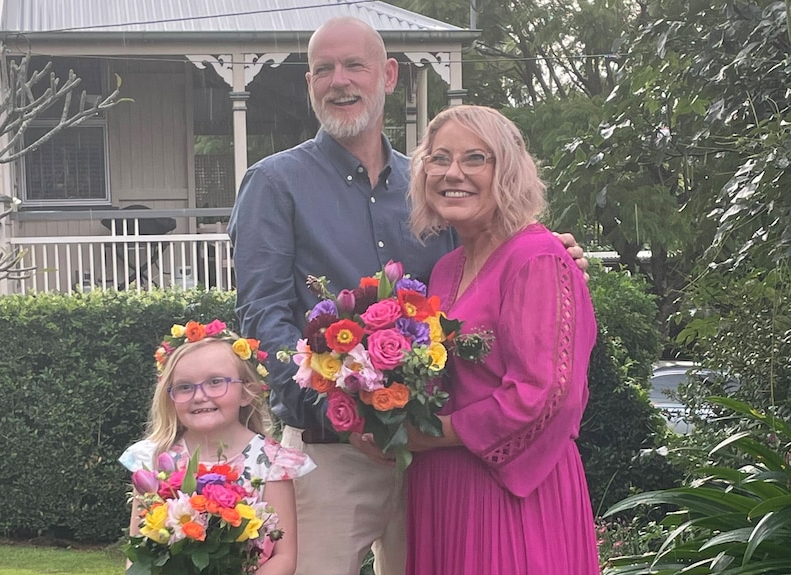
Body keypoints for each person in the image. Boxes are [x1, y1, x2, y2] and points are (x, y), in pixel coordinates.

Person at [229, 17, 588, 575]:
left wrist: (546, 251)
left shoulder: (429, 185)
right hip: (334, 450)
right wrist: (340, 409)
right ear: (309, 83)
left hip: (442, 459)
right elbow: (263, 316)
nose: (339, 81)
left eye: (355, 66)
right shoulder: (275, 183)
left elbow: (485, 274)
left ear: (389, 75)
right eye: (323, 69)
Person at [403, 105, 600, 574]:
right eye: (439, 158)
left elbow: (545, 396)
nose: (454, 173)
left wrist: (427, 437)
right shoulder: (446, 269)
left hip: (513, 494)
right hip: (443, 490)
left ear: (506, 170)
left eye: (475, 158)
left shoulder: (537, 258)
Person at [119, 319, 315, 575]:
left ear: (246, 392)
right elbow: (139, 549)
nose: (200, 396)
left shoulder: (270, 462)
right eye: (185, 387)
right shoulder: (154, 459)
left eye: (215, 382)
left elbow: (285, 556)